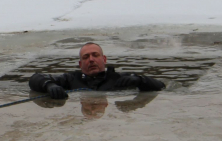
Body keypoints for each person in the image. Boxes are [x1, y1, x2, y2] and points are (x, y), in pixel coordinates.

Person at [28, 42, 165, 100]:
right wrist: (49, 85)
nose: (91, 60)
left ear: (104, 59)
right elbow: (35, 78)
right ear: (80, 64)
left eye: (95, 55)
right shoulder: (70, 79)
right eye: (86, 57)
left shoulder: (118, 78)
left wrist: (140, 80)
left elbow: (161, 86)